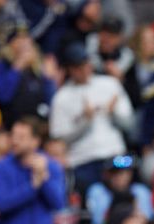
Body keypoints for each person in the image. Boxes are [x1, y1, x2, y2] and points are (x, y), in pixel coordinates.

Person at [49, 42, 134, 196]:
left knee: (126, 188)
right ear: (70, 69)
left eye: (86, 64)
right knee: (88, 195)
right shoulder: (62, 97)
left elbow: (130, 125)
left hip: (115, 155)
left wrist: (113, 113)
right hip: (83, 160)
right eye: (78, 67)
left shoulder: (110, 84)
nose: (84, 70)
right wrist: (85, 122)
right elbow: (59, 140)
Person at [0, 115, 65, 224]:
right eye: (13, 136)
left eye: (21, 137)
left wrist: (43, 178)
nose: (14, 141)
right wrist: (32, 187)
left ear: (35, 141)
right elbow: (1, 204)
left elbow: (58, 203)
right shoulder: (1, 167)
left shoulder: (51, 166)